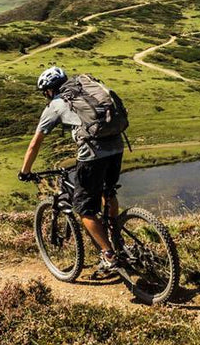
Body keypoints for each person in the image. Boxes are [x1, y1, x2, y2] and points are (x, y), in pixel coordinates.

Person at [19, 66, 126, 278]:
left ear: (49, 90)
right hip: (117, 145)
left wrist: (25, 171)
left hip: (93, 153)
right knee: (108, 192)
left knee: (85, 209)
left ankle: (109, 256)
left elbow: (35, 144)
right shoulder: (85, 88)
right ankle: (116, 236)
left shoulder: (55, 105)